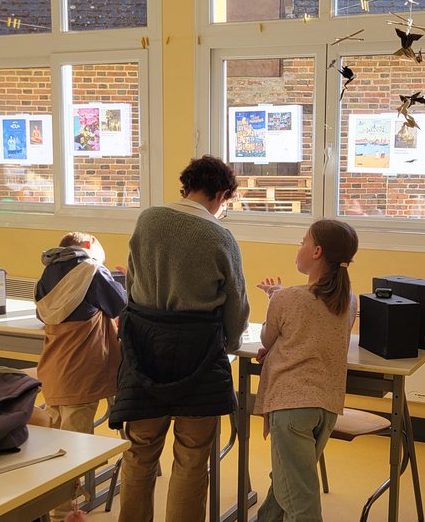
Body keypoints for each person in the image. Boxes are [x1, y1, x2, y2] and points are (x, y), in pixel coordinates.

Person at [112, 155, 250, 522]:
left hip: (144, 348)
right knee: (192, 457)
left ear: (186, 186)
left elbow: (132, 284)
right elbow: (235, 304)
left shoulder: (148, 219)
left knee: (140, 451)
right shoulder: (219, 236)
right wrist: (230, 345)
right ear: (221, 194)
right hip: (198, 354)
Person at [253, 219, 359, 522]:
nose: (299, 247)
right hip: (325, 407)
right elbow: (314, 329)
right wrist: (282, 297)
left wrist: (275, 299)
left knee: (301, 499)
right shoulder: (348, 300)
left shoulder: (287, 299)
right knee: (290, 481)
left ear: (317, 252)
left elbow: (266, 338)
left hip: (290, 406)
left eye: (303, 242)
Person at [34, 231, 126, 433]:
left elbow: (42, 315)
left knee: (55, 437)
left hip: (54, 370)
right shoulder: (91, 270)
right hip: (82, 372)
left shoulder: (47, 274)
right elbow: (120, 306)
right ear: (89, 242)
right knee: (78, 446)